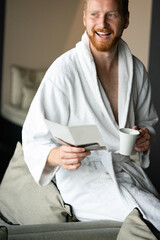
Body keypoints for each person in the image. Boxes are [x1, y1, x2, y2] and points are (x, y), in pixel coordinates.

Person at [22, 0, 160, 231]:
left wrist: (145, 137)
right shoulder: (64, 70)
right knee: (149, 221)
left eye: (111, 15)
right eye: (95, 14)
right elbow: (33, 136)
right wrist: (58, 155)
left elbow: (147, 122)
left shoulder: (136, 70)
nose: (102, 24)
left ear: (126, 19)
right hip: (84, 179)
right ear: (85, 18)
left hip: (126, 170)